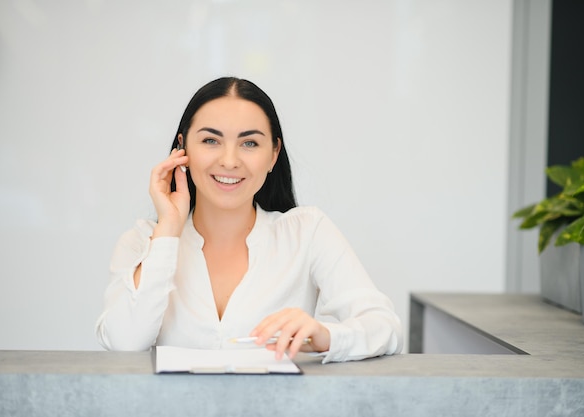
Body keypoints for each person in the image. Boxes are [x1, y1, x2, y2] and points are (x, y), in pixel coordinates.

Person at [95, 77, 403, 363]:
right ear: (182, 148)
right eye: (210, 141)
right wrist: (168, 231)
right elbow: (124, 342)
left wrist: (325, 336)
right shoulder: (141, 241)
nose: (229, 160)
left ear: (273, 154)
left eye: (250, 143)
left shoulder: (307, 232)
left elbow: (386, 328)